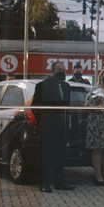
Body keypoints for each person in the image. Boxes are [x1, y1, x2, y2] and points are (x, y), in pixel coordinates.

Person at [32, 61, 73, 193]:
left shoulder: (66, 86)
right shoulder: (42, 85)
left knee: (60, 155)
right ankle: (45, 183)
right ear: (52, 70)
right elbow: (35, 106)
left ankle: (59, 182)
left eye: (63, 69)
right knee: (46, 155)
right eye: (59, 69)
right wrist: (44, 119)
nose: (62, 72)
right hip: (48, 125)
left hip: (62, 125)